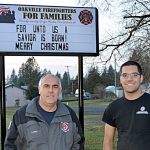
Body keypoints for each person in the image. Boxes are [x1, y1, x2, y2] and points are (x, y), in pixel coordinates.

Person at [4, 74, 84, 150]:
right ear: (39, 89)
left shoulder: (69, 115)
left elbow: (78, 143)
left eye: (55, 87)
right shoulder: (21, 115)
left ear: (59, 90)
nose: (51, 90)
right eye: (46, 86)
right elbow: (10, 146)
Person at [102, 60, 150, 150]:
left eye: (134, 75)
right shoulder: (113, 107)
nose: (129, 79)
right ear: (120, 79)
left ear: (141, 78)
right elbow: (108, 141)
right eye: (125, 75)